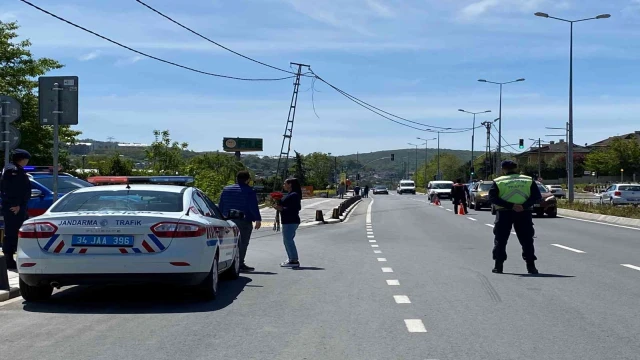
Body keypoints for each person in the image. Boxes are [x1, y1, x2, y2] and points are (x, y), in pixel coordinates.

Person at [488, 160, 542, 274]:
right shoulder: (528, 180)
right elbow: (537, 196)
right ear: (516, 168)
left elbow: (492, 198)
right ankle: (531, 267)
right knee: (527, 240)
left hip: (504, 213)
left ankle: (498, 266)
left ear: (503, 169)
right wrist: (523, 205)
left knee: (500, 240)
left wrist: (511, 206)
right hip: (524, 213)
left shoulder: (498, 181)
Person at [218, 170, 262, 272]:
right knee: (242, 243)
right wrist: (258, 219)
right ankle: (240, 263)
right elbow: (253, 206)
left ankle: (228, 262)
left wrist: (220, 217)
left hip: (227, 220)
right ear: (247, 180)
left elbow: (221, 205)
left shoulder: (226, 189)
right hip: (244, 220)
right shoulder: (249, 191)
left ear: (237, 179)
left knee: (228, 243)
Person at [1, 149, 32, 270]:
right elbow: (10, 189)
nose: (27, 162)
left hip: (19, 206)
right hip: (14, 207)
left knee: (19, 231)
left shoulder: (15, 169)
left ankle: (15, 257)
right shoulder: (12, 170)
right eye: (26, 160)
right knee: (12, 232)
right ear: (22, 159)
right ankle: (8, 260)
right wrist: (16, 204)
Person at [273, 178, 302, 268]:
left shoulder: (294, 195)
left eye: (285, 183)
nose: (283, 185)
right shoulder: (290, 194)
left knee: (288, 240)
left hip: (291, 220)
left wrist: (281, 208)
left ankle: (294, 259)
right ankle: (291, 258)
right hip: (287, 220)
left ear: (290, 184)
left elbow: (295, 208)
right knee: (287, 240)